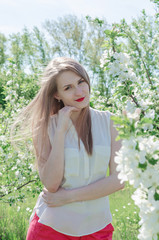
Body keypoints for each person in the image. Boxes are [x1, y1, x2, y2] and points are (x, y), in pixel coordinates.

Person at [20, 57, 124, 240]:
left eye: (81, 82)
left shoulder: (111, 122)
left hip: (97, 228)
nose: (79, 91)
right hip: (50, 228)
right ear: (57, 95)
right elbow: (51, 184)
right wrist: (60, 130)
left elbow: (119, 180)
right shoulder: (44, 127)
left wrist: (68, 197)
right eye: (68, 88)